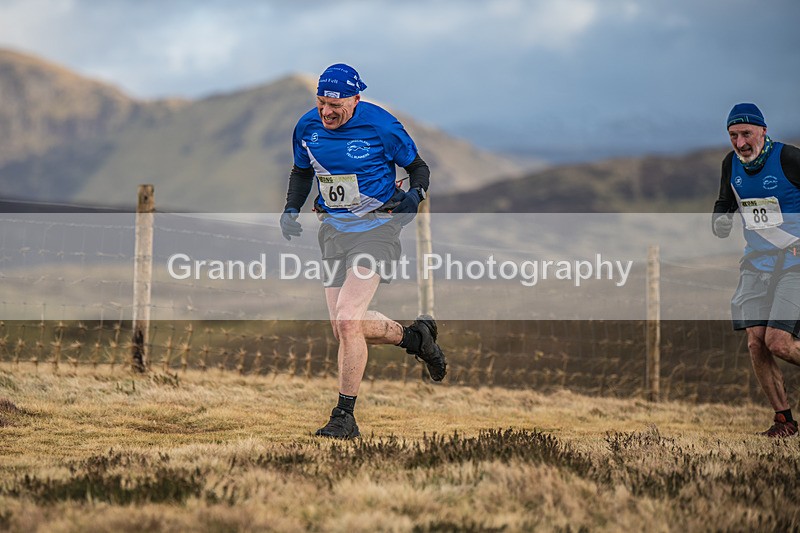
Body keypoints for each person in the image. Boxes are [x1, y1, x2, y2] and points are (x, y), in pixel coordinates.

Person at [279, 63, 447, 439]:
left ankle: (344, 417)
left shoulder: (382, 126)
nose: (326, 112)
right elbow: (301, 171)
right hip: (333, 232)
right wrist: (291, 207)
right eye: (321, 103)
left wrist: (415, 196)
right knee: (343, 327)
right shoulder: (307, 127)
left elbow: (418, 168)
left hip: (378, 230)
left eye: (335, 105)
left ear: (356, 99)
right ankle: (415, 338)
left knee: (348, 319)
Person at [713, 102, 800, 437]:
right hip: (756, 262)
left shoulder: (789, 158)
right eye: (733, 135)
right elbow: (725, 203)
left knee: (779, 342)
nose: (740, 143)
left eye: (746, 134)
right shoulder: (730, 164)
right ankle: (784, 421)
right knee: (756, 343)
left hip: (794, 261)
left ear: (763, 131)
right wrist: (720, 222)